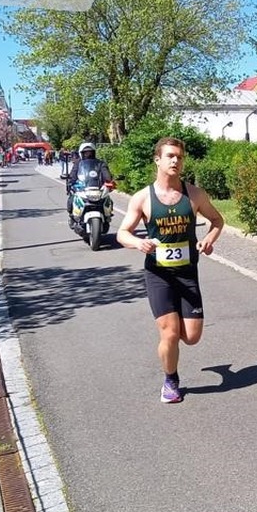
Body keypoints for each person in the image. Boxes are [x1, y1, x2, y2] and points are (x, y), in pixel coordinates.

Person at [116, 137, 224, 404]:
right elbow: (122, 233)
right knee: (170, 333)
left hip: (187, 273)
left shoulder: (194, 195)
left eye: (180, 157)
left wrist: (209, 239)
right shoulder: (143, 198)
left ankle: (175, 364)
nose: (176, 161)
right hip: (159, 275)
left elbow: (217, 220)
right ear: (158, 160)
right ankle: (171, 380)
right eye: (170, 156)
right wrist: (138, 242)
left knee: (192, 336)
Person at [66, 142, 114, 221]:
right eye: (86, 153)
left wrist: (109, 180)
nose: (88, 154)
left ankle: (107, 215)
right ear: (81, 153)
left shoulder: (100, 163)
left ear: (94, 152)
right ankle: (73, 216)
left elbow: (106, 174)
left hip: (98, 188)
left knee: (107, 199)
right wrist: (71, 181)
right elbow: (73, 174)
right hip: (83, 187)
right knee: (72, 199)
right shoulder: (78, 163)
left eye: (90, 152)